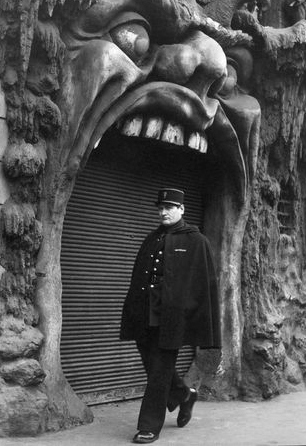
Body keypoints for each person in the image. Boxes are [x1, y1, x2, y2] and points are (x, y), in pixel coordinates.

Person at [119, 188, 222, 444]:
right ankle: (185, 396)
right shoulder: (150, 239)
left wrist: (193, 315)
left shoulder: (197, 241)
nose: (164, 212)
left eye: (170, 207)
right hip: (146, 312)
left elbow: (204, 285)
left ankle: (149, 426)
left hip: (174, 317)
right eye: (161, 208)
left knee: (159, 371)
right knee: (152, 363)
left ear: (182, 209)